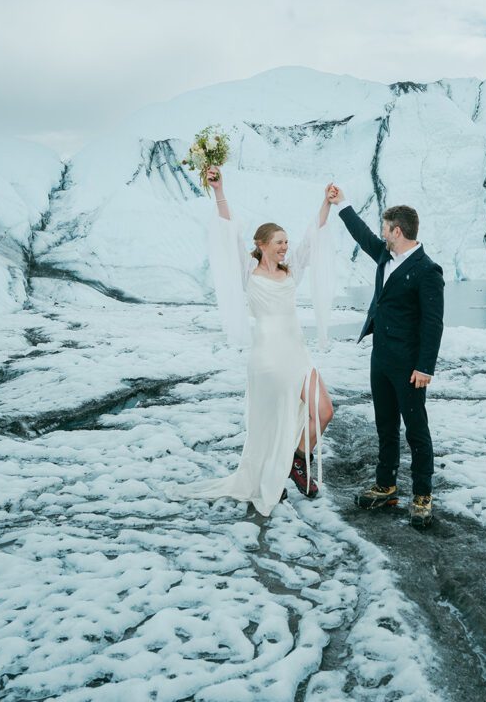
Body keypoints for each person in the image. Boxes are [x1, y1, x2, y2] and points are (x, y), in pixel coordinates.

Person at [169, 165, 335, 517]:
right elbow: (229, 232)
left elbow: (312, 239)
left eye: (285, 243)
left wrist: (327, 204)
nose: (285, 249)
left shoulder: (291, 270)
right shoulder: (249, 273)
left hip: (297, 354)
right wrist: (219, 190)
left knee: (323, 411)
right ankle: (269, 476)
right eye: (279, 243)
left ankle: (296, 460)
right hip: (267, 358)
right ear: (261, 246)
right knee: (270, 423)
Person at [328, 185, 444, 528]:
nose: (381, 233)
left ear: (397, 231)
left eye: (385, 228)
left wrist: (425, 366)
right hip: (381, 357)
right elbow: (362, 236)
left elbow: (433, 323)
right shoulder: (385, 256)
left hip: (410, 365)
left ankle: (422, 494)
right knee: (385, 425)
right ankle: (386, 485)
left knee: (416, 429)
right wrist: (342, 203)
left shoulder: (427, 271)